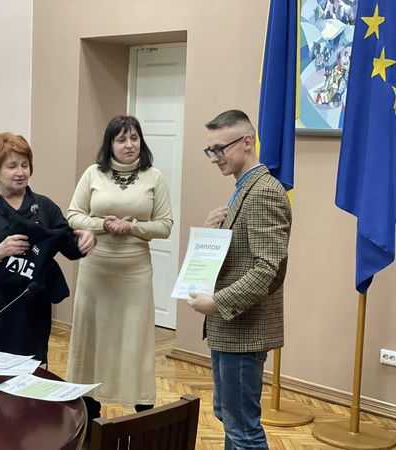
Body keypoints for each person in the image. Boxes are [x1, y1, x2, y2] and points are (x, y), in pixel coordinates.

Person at [186, 110, 292, 450]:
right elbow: (240, 255)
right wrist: (211, 233)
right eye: (210, 150)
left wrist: (217, 302)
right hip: (229, 329)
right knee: (230, 418)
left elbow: (267, 269)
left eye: (220, 149)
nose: (214, 157)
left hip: (245, 329)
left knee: (244, 429)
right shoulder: (242, 189)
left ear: (247, 142)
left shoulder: (263, 192)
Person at [0, 132, 95, 364]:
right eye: (12, 166)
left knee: (31, 372)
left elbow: (69, 247)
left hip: (32, 312)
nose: (20, 172)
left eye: (24, 165)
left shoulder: (45, 207)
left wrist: (86, 239)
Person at [66, 115, 173, 417]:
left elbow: (165, 225)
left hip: (134, 272)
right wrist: (102, 225)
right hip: (96, 270)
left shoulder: (154, 177)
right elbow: (72, 215)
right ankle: (90, 406)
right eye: (121, 139)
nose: (129, 145)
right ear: (110, 144)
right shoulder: (92, 174)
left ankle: (142, 407)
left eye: (134, 138)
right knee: (93, 336)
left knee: (135, 338)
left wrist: (133, 228)